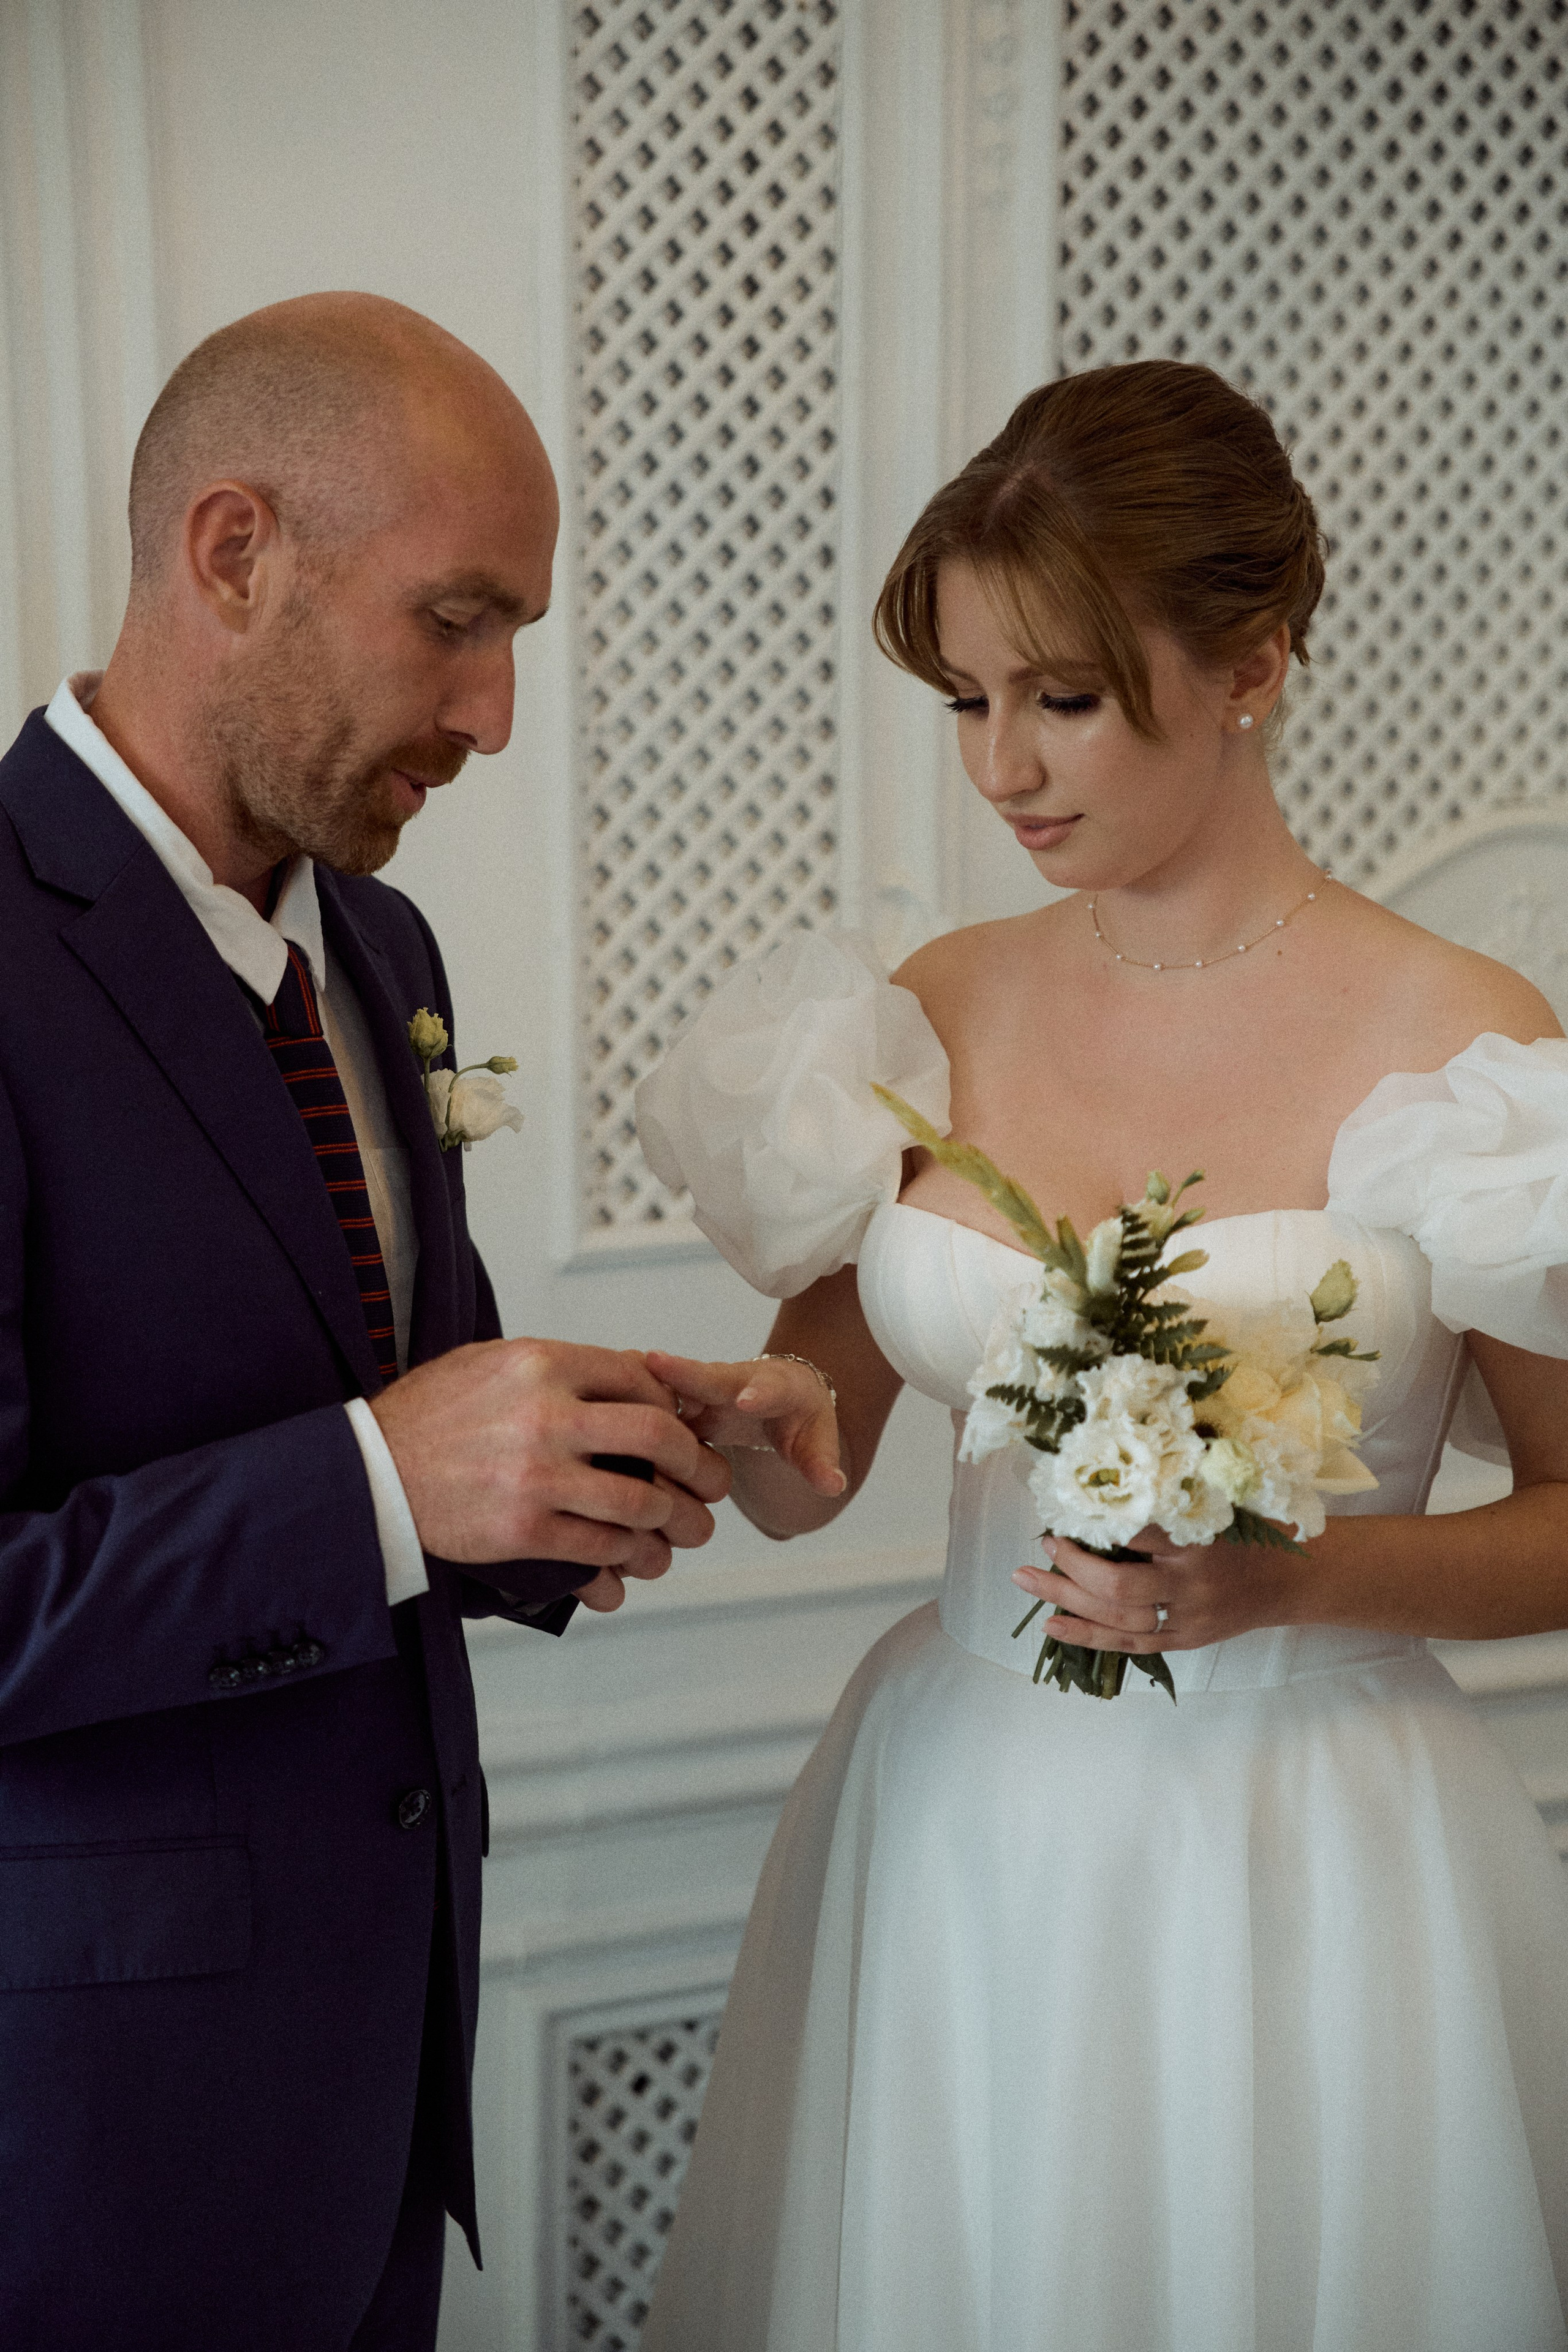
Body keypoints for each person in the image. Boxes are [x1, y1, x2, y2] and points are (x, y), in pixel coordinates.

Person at [632, 360, 1568, 2351]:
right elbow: (806, 1479)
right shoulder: (929, 1009)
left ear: (1253, 663)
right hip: (969, 1832)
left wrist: (1289, 1583)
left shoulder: (1467, 1044)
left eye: (1058, 697)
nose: (1002, 769)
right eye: (966, 700)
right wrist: (745, 1429)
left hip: (1320, 1857)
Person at [0, 292, 729, 2352]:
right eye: (457, 620)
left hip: (380, 2097)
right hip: (85, 2146)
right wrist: (384, 1484)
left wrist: (617, 1441)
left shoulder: (382, 942)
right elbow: (365, 1472)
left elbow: (403, 1424)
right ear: (236, 552)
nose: (495, 716)